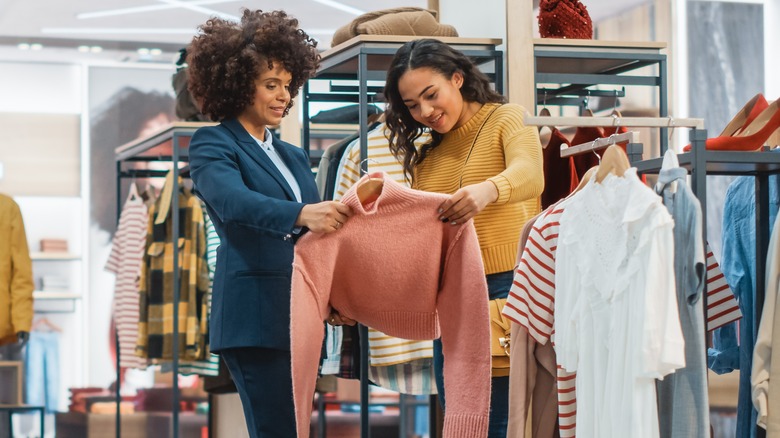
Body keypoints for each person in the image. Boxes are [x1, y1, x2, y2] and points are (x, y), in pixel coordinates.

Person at [186, 10, 353, 437]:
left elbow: (316, 240)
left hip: (303, 312)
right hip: (255, 316)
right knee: (277, 428)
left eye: (288, 85)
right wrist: (301, 214)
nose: (284, 97)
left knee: (295, 428)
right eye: (270, 85)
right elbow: (233, 202)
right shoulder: (213, 142)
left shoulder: (293, 155)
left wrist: (334, 295)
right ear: (240, 84)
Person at [384, 38, 544, 437]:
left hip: (509, 288)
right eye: (412, 105)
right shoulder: (428, 156)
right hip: (453, 299)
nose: (425, 112)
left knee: (502, 421)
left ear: (458, 78)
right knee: (461, 420)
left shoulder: (507, 119)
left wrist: (487, 190)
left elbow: (531, 173)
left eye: (431, 95)